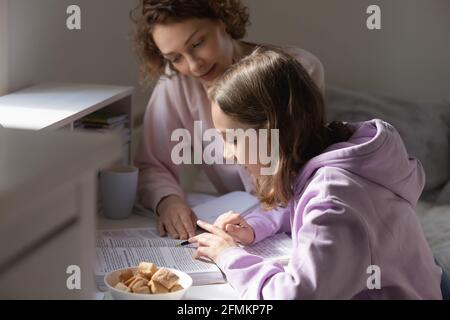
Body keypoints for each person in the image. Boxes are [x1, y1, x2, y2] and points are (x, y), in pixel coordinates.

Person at [187, 48, 443, 299]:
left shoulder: (334, 198)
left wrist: (229, 255)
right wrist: (254, 227)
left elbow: (294, 296)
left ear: (273, 133)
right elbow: (298, 206)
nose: (228, 154)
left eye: (232, 139)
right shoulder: (333, 158)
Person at [131, 0, 325, 240]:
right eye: (175, 58)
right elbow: (152, 165)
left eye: (198, 43)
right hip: (238, 219)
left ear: (223, 20)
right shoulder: (175, 85)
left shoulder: (298, 69)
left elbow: (307, 166)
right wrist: (168, 201)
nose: (193, 65)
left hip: (291, 214)